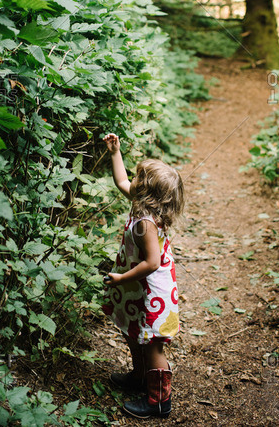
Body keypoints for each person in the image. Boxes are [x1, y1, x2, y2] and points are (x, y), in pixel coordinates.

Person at [102, 132, 184, 419]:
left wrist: (122, 278)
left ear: (147, 193)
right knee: (134, 335)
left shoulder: (147, 223)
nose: (132, 181)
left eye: (139, 179)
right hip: (140, 290)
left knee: (152, 346)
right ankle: (139, 377)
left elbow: (151, 263)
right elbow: (121, 181)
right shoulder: (141, 206)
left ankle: (160, 400)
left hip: (151, 293)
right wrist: (115, 152)